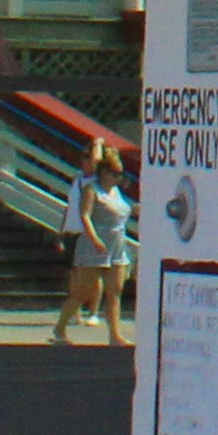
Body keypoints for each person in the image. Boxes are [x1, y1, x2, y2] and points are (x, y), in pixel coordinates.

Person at [57, 136, 137, 345]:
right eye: (114, 173)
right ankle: (60, 328)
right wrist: (94, 239)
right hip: (93, 245)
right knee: (84, 291)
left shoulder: (117, 192)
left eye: (120, 174)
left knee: (115, 291)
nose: (118, 178)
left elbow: (127, 209)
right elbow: (85, 215)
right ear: (104, 172)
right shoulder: (92, 190)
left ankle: (114, 334)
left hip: (117, 245)